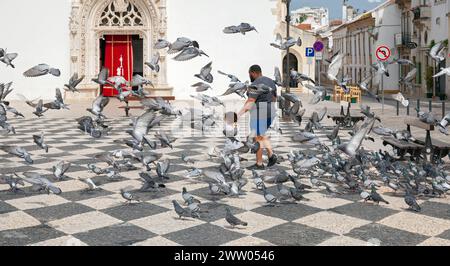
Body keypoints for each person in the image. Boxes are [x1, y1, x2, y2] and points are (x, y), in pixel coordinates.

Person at [238, 65, 278, 170]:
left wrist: (238, 115)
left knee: (257, 138)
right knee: (261, 135)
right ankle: (271, 155)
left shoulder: (255, 85)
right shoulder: (271, 82)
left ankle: (259, 164)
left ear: (253, 73)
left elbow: (250, 102)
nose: (249, 76)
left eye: (249, 74)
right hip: (271, 111)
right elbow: (274, 98)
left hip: (260, 113)